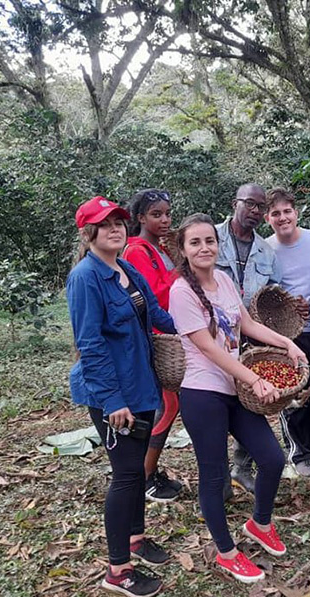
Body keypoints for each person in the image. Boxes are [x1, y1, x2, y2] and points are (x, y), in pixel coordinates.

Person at [169, 213, 307, 583]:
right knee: (213, 476)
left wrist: (286, 341)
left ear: (218, 245)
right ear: (183, 249)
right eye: (194, 242)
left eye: (209, 241)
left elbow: (247, 324)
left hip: (233, 389)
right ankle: (226, 553)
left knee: (273, 458)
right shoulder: (180, 291)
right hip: (203, 393)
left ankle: (260, 523)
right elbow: (209, 350)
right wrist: (255, 379)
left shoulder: (226, 281)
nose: (204, 248)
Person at [67, 196, 176, 597]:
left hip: (143, 385)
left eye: (119, 222)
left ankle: (136, 538)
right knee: (127, 475)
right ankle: (118, 570)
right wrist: (112, 400)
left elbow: (158, 317)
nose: (115, 228)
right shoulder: (86, 277)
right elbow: (90, 344)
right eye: (105, 224)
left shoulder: (126, 269)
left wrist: (201, 329)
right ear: (89, 232)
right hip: (113, 394)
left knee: (136, 474)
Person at [216, 183, 282, 494]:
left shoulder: (266, 250)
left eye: (260, 207)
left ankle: (241, 466)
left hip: (251, 336)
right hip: (213, 337)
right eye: (250, 204)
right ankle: (217, 475)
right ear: (235, 202)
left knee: (252, 401)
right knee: (216, 402)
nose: (255, 211)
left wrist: (290, 305)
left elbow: (274, 294)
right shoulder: (210, 237)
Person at [265, 187, 310, 477]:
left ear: (296, 212)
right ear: (267, 218)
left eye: (287, 211)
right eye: (275, 213)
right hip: (285, 335)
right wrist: (287, 307)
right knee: (294, 392)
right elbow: (263, 293)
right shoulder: (265, 248)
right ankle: (299, 451)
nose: (283, 218)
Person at [122, 189, 182, 503]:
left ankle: (147, 470)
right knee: (167, 406)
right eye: (156, 214)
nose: (164, 220)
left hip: (167, 336)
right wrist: (182, 271)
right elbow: (155, 295)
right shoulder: (136, 251)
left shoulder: (156, 247)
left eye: (167, 214)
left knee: (166, 406)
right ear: (141, 218)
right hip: (157, 339)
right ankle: (144, 477)